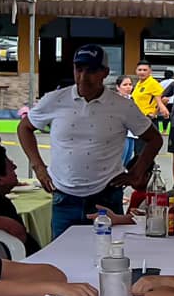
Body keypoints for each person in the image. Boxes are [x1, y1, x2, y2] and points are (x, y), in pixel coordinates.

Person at [19, 46, 161, 238]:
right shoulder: (54, 100)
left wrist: (137, 173)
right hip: (64, 197)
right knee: (62, 254)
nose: (84, 76)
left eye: (92, 71)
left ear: (105, 73)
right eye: (79, 69)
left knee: (109, 252)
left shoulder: (123, 106)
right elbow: (24, 128)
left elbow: (154, 139)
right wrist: (38, 167)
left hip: (106, 196)